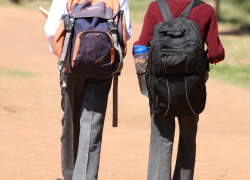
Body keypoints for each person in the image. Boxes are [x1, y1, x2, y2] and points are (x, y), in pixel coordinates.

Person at [133, 0, 225, 179]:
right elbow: (216, 54)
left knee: (161, 140)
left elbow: (141, 45)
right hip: (192, 88)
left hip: (161, 87)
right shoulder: (206, 10)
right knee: (188, 139)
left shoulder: (155, 7)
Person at [44, 0, 132, 180]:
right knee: (92, 122)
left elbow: (51, 30)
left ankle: (70, 175)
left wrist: (61, 54)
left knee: (70, 120)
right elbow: (126, 31)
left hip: (71, 63)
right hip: (104, 63)